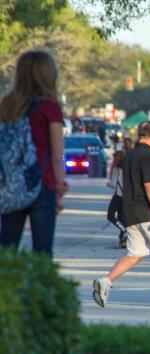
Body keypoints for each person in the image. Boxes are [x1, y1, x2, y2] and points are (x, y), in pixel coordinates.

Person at [93, 121, 150, 308]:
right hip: (148, 213)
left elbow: (138, 184)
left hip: (131, 213)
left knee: (135, 253)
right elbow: (149, 184)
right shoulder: (149, 155)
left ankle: (107, 281)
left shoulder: (131, 155)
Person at [0, 50, 67, 255]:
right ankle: (39, 287)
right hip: (41, 184)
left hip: (11, 183)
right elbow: (57, 155)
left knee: (7, 250)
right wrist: (60, 185)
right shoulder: (50, 107)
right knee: (42, 252)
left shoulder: (6, 105)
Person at [106, 150, 127, 248]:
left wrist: (107, 183)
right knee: (121, 217)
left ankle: (124, 231)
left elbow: (113, 184)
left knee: (110, 216)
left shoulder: (117, 169)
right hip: (126, 196)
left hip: (118, 195)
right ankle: (123, 237)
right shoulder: (127, 168)